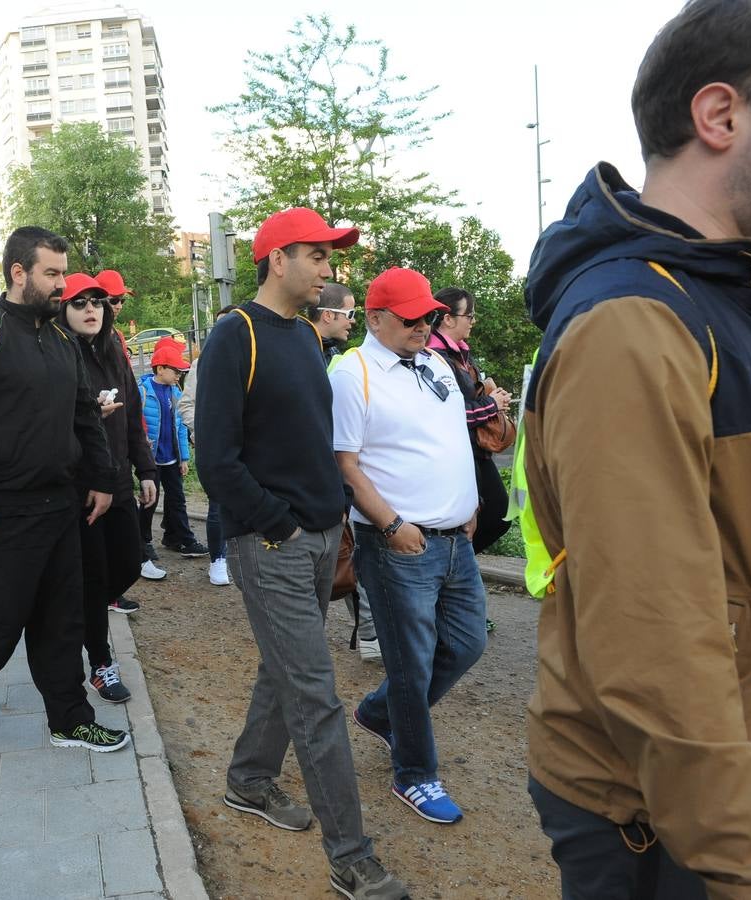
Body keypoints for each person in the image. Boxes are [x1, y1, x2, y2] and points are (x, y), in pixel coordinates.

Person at [521, 2, 751, 893]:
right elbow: (656, 656)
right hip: (673, 819)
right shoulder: (636, 326)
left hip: (742, 772)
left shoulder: (727, 295)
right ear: (721, 117)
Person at [197, 208, 408, 899]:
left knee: (283, 672)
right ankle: (352, 857)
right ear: (276, 258)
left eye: (329, 257)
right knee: (316, 698)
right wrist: (278, 526)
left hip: (319, 539)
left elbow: (307, 439)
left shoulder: (303, 337)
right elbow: (215, 460)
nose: (328, 269)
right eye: (317, 256)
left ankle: (250, 781)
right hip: (273, 543)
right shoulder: (235, 336)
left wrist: (330, 521)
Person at [0, 226, 128, 753]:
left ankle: (68, 719)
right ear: (19, 273)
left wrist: (102, 481)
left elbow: (85, 415)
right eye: (53, 274)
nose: (62, 285)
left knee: (62, 618)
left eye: (63, 272)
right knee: (4, 619)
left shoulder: (62, 338)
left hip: (63, 504)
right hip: (4, 509)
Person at [332, 267, 485, 827]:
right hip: (398, 542)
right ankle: (415, 775)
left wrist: (467, 505)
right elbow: (343, 464)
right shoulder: (353, 374)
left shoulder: (435, 363)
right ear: (374, 318)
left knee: (467, 645)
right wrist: (392, 524)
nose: (424, 324)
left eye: (429, 316)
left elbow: (449, 441)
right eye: (411, 317)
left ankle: (378, 712)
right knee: (411, 666)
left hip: (454, 539)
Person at [57, 272, 158, 702]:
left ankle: (79, 610)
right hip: (79, 488)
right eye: (79, 303)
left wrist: (147, 470)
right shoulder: (57, 355)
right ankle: (101, 662)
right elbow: (47, 428)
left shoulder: (114, 349)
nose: (91, 309)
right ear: (63, 311)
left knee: (129, 563)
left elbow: (133, 414)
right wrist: (88, 419)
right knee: (95, 577)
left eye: (97, 302)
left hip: (116, 481)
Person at [309, 284, 380, 662]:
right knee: (347, 556)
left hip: (335, 483)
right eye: (350, 314)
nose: (354, 322)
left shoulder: (329, 354)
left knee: (347, 556)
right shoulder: (315, 356)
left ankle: (368, 632)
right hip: (325, 483)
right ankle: (366, 633)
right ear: (329, 314)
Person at [427, 287, 512, 556]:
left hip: (475, 450)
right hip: (455, 453)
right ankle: (449, 566)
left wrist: (492, 398)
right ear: (448, 318)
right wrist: (491, 405)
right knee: (480, 515)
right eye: (469, 315)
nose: (473, 321)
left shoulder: (461, 354)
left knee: (497, 513)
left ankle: (454, 565)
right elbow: (450, 413)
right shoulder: (434, 357)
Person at [178, 305, 236, 588]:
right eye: (220, 325)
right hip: (216, 448)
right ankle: (218, 559)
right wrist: (205, 432)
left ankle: (244, 558)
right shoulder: (203, 364)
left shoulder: (254, 357)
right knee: (218, 505)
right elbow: (186, 405)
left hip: (250, 448)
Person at [136, 344, 208, 562]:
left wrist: (184, 457)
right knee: (149, 499)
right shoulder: (143, 391)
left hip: (172, 458)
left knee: (177, 499)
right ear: (160, 369)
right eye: (175, 370)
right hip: (151, 459)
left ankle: (181, 538)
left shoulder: (176, 393)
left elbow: (180, 428)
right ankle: (142, 541)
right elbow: (135, 424)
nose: (179, 375)